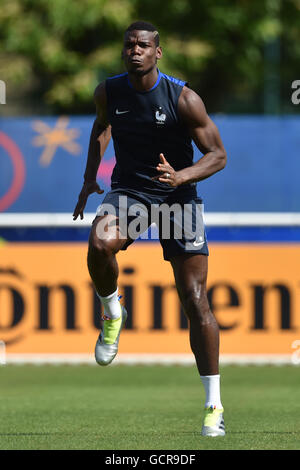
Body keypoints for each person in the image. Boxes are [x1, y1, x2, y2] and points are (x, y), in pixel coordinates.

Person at [73, 21, 227, 437]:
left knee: (195, 302)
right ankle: (112, 311)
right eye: (129, 45)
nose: (135, 50)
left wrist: (182, 176)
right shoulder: (109, 90)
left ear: (158, 53)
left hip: (177, 196)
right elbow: (102, 125)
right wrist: (90, 177)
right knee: (99, 242)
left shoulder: (184, 98)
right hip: (130, 193)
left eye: (143, 45)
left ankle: (214, 405)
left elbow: (217, 155)